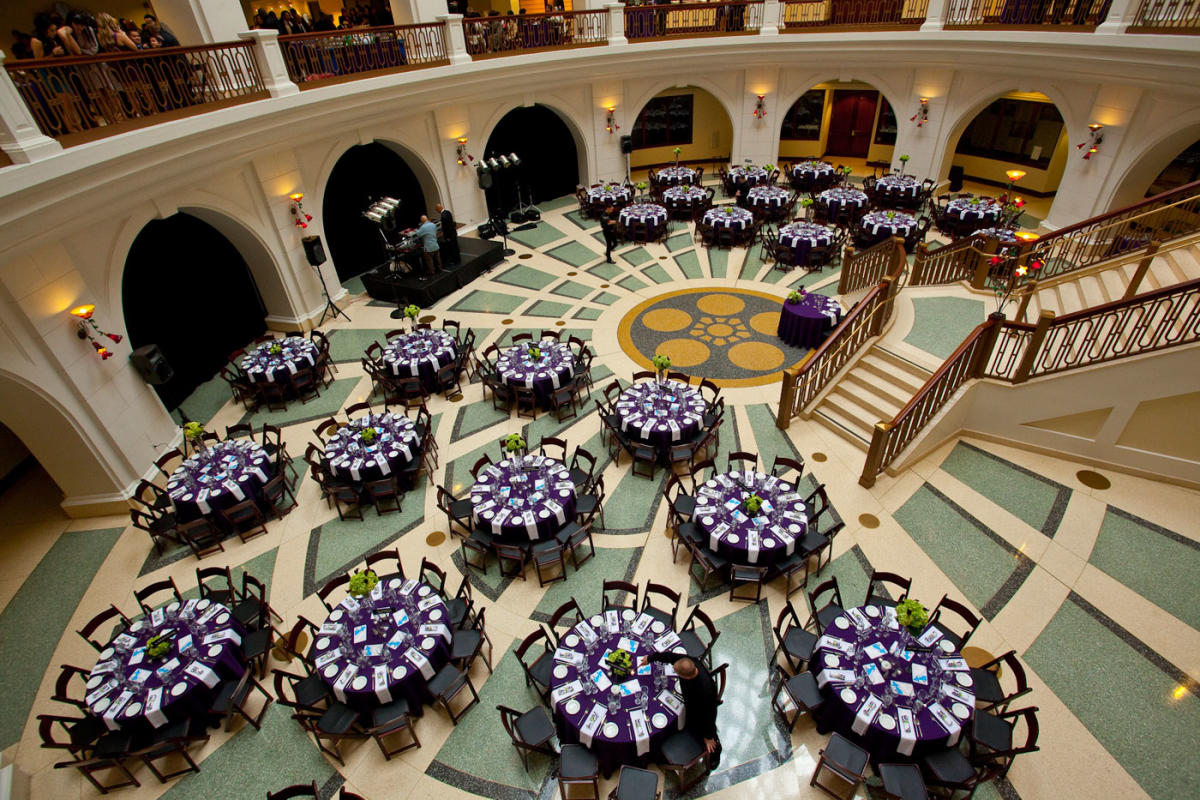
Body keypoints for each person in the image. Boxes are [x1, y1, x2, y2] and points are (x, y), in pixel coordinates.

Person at [640, 654, 720, 761]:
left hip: (699, 714)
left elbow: (710, 713)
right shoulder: (688, 661)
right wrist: (650, 658)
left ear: (686, 677)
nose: (674, 671)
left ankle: (714, 756)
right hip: (689, 704)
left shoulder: (705, 690)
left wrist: (709, 736)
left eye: (676, 672)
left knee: (706, 736)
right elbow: (669, 656)